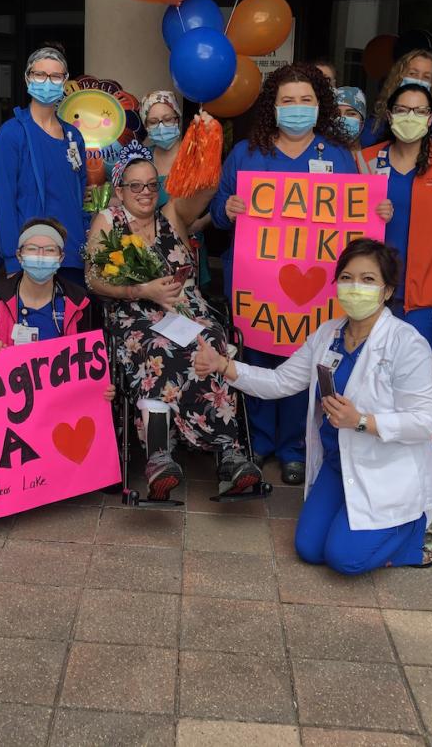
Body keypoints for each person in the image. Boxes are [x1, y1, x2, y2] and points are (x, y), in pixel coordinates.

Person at [197, 238, 432, 572]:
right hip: (338, 464)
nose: (355, 287)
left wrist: (362, 421)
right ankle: (351, 516)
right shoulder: (328, 334)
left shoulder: (407, 343)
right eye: (347, 277)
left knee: (345, 559)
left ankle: (419, 530)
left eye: (368, 280)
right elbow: (281, 382)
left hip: (386, 468)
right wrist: (224, 366)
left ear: (387, 291)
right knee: (309, 549)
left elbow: (425, 422)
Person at [209, 63, 370, 485]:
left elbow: (355, 220)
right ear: (272, 106)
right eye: (287, 101)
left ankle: (296, 447)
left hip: (314, 291)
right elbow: (216, 215)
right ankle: (259, 442)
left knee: (305, 362)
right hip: (254, 285)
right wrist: (225, 211)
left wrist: (376, 213)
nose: (296, 108)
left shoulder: (337, 155)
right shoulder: (245, 152)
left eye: (306, 101)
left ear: (320, 105)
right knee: (257, 355)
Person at [88, 148, 261, 499]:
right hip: (136, 316)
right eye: (135, 186)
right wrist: (141, 289)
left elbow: (208, 187)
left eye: (152, 185)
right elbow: (94, 279)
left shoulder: (172, 215)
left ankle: (230, 455)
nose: (145, 193)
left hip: (186, 313)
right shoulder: (109, 220)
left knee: (212, 340)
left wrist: (204, 140)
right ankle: (158, 456)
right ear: (119, 190)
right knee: (159, 349)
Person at [360, 83, 432, 350]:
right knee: (367, 376)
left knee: (409, 377)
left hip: (426, 298)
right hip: (370, 290)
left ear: (430, 119)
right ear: (390, 115)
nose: (410, 116)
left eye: (419, 111)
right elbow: (344, 221)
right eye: (402, 110)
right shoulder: (365, 161)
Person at [0, 45, 88, 281]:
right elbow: (3, 200)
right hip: (33, 256)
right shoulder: (12, 133)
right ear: (27, 78)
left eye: (55, 76)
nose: (48, 82)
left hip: (72, 254)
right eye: (40, 74)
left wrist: (87, 245)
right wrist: (12, 259)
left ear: (64, 82)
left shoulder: (73, 136)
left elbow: (82, 195)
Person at [0, 218, 93, 352]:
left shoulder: (78, 300)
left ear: (61, 258)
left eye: (50, 250)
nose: (40, 256)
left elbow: (86, 355)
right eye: (32, 249)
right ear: (19, 255)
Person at [140, 89, 212, 284]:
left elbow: (219, 196)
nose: (161, 126)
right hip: (149, 247)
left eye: (167, 119)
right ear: (146, 126)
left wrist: (201, 222)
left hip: (189, 243)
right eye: (153, 122)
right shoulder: (141, 158)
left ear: (178, 119)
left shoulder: (197, 155)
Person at [361, 49, 432, 151]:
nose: (419, 80)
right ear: (399, 76)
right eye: (413, 74)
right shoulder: (379, 119)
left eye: (426, 77)